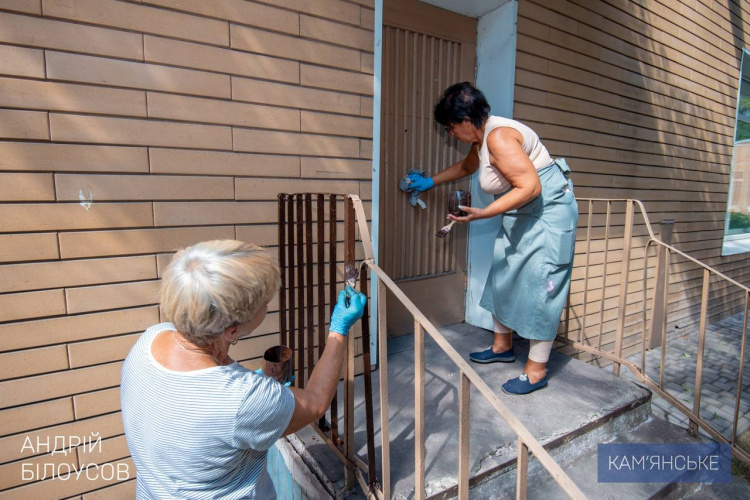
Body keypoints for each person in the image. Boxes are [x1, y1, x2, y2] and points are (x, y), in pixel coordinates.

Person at [120, 240, 366, 499]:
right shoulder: (244, 401)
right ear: (232, 331)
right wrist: (339, 329)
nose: (267, 306)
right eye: (263, 304)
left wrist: (250, 384)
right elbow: (315, 403)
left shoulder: (149, 339)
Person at [406, 82, 578, 395]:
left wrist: (484, 214)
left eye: (450, 127)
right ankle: (502, 347)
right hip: (523, 210)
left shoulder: (499, 138)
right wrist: (430, 181)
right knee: (504, 273)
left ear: (466, 121)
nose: (449, 133)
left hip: (547, 213)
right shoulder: (482, 139)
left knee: (542, 283)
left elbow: (530, 188)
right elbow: (467, 166)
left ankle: (536, 371)